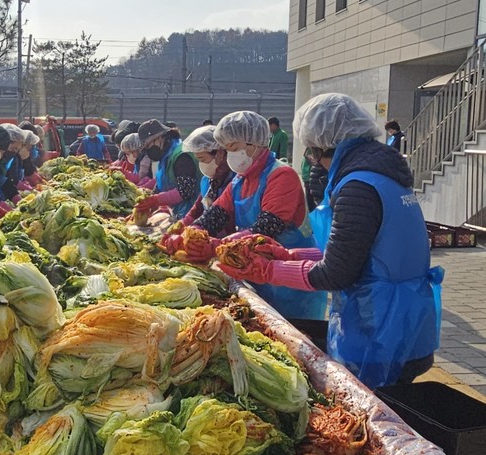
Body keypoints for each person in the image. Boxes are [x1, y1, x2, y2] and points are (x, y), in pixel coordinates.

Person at [218, 93, 442, 388]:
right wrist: (288, 255)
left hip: (380, 329)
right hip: (404, 318)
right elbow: (353, 253)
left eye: (312, 154)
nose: (315, 164)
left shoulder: (358, 188)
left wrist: (269, 270)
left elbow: (336, 272)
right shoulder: (382, 175)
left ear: (325, 147)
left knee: (380, 408)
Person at [163, 111, 327, 321]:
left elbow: (265, 229)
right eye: (227, 149)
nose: (229, 155)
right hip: (256, 272)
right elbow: (214, 215)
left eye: (234, 148)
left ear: (255, 143)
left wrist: (216, 247)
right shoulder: (239, 180)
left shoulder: (282, 175)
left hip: (293, 284)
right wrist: (190, 234)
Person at [134, 119, 201, 220]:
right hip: (179, 214)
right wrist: (145, 206)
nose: (148, 150)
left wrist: (155, 200)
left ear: (160, 138)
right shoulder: (165, 157)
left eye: (148, 145)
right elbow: (160, 185)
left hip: (193, 216)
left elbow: (184, 191)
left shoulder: (181, 156)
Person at [175, 124, 235, 229]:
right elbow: (198, 207)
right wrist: (184, 222)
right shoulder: (208, 181)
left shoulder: (234, 180)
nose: (201, 165)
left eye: (203, 159)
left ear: (220, 154)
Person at [0, 123, 27, 205]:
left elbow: (4, 182)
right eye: (13, 148)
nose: (13, 152)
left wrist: (15, 196)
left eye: (17, 150)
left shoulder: (4, 162)